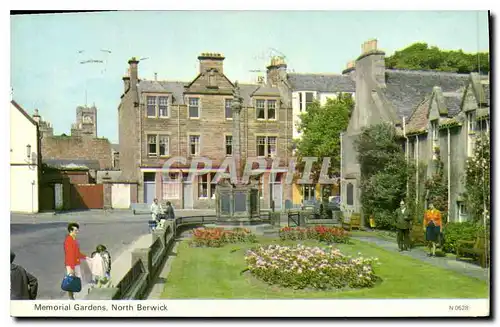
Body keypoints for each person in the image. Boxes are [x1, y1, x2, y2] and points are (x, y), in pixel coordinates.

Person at [64, 222, 87, 300]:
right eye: (75, 230)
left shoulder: (74, 240)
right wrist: (72, 268)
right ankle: (70, 297)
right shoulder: (68, 240)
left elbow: (77, 253)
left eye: (77, 230)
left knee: (75, 280)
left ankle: (72, 297)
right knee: (70, 281)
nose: (77, 232)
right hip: (71, 264)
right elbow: (70, 255)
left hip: (75, 263)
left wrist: (85, 257)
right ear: (71, 231)